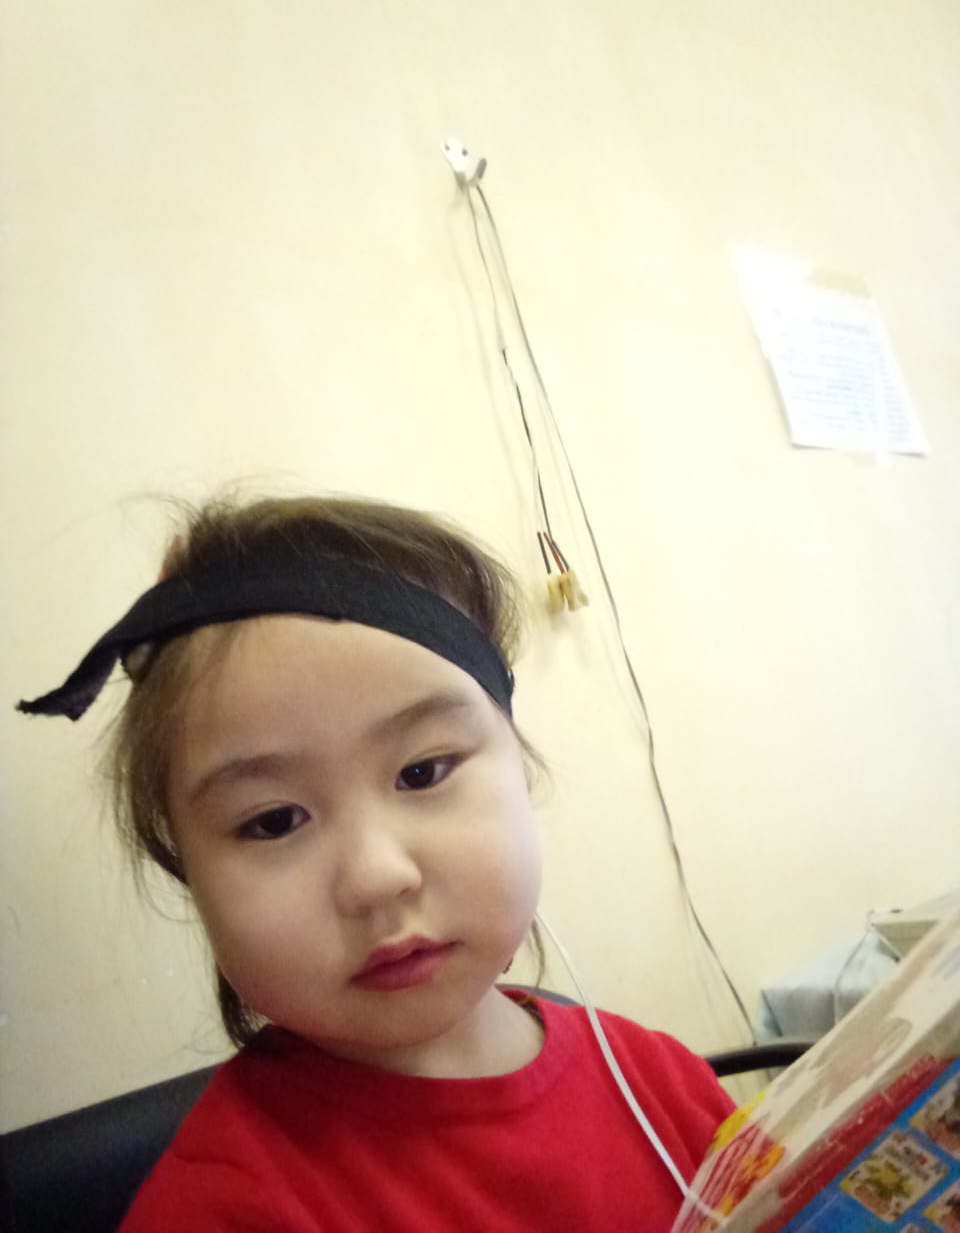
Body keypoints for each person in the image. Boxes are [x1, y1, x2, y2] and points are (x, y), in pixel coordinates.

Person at [18, 493, 734, 1231]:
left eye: (422, 773)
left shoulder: (661, 1081)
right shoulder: (225, 1211)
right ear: (186, 870)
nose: (376, 877)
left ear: (518, 760)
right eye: (273, 820)